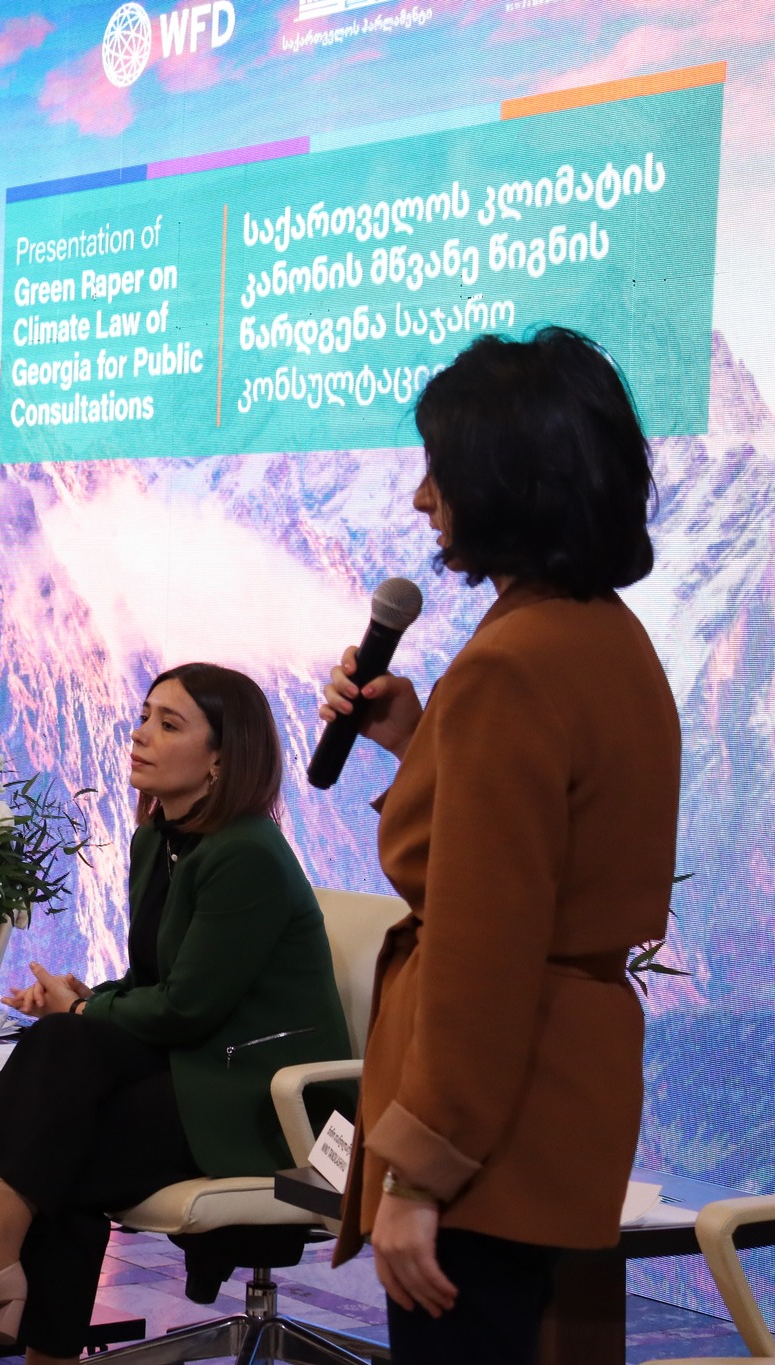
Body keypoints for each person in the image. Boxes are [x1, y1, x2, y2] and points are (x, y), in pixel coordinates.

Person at [317, 327, 680, 1364]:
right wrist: (421, 739)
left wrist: (417, 1175)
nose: (421, 499)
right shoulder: (603, 637)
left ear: (500, 478)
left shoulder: (508, 667)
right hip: (558, 1104)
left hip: (483, 1134)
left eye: (438, 469)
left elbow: (484, 952)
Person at [0, 663, 352, 1362]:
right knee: (61, 1067)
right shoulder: (157, 840)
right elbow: (154, 982)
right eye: (144, 716)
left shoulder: (248, 853)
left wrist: (85, 1005)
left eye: (169, 724)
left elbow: (187, 1009)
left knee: (61, 1142)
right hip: (197, 1067)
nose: (140, 734)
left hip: (259, 1095)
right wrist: (81, 1000)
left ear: (224, 758)